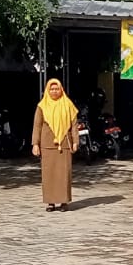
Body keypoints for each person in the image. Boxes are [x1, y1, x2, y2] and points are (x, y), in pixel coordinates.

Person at [32, 79, 79, 212]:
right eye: (51, 89)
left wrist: (76, 142)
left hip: (64, 143)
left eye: (56, 89)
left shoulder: (68, 105)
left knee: (64, 174)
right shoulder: (42, 106)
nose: (54, 91)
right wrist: (35, 144)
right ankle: (50, 202)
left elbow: (74, 126)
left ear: (61, 89)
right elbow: (37, 126)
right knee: (49, 174)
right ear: (47, 90)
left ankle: (64, 202)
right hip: (47, 144)